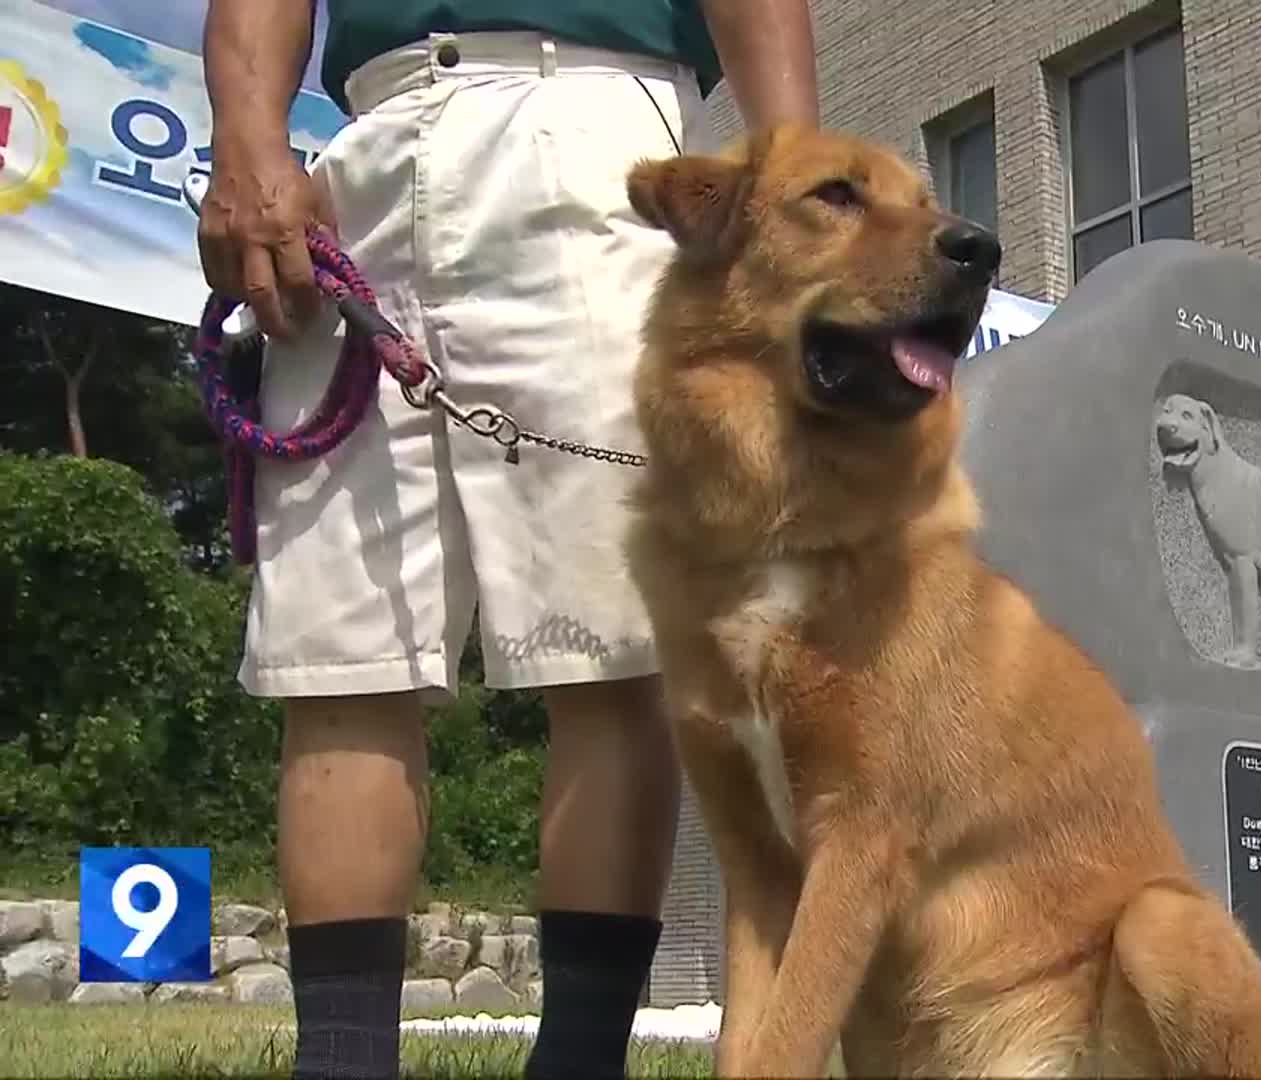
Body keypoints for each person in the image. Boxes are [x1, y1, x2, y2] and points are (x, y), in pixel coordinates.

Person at [196, 2, 818, 1077]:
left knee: (612, 637)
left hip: (591, 133)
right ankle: (340, 1063)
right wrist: (247, 141)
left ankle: (578, 1060)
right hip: (361, 155)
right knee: (337, 647)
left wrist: (801, 180)